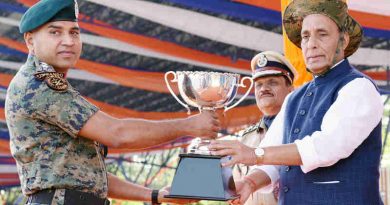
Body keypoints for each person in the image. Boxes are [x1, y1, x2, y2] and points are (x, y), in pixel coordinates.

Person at [5, 0, 220, 204]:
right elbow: (117, 133)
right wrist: (189, 125)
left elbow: (87, 177)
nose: (68, 41)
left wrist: (155, 195)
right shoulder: (40, 85)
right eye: (55, 32)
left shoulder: (45, 83)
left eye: (74, 32)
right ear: (30, 40)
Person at [209, 0, 384, 204]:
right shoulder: (294, 98)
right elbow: (272, 159)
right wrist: (249, 183)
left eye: (322, 34)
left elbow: (327, 147)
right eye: (306, 36)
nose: (311, 44)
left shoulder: (358, 87)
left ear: (343, 41)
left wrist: (253, 154)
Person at [232, 51, 295, 205]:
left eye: (272, 82)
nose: (263, 89)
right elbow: (235, 188)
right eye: (258, 84)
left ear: (290, 89)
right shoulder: (245, 138)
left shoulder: (300, 130)